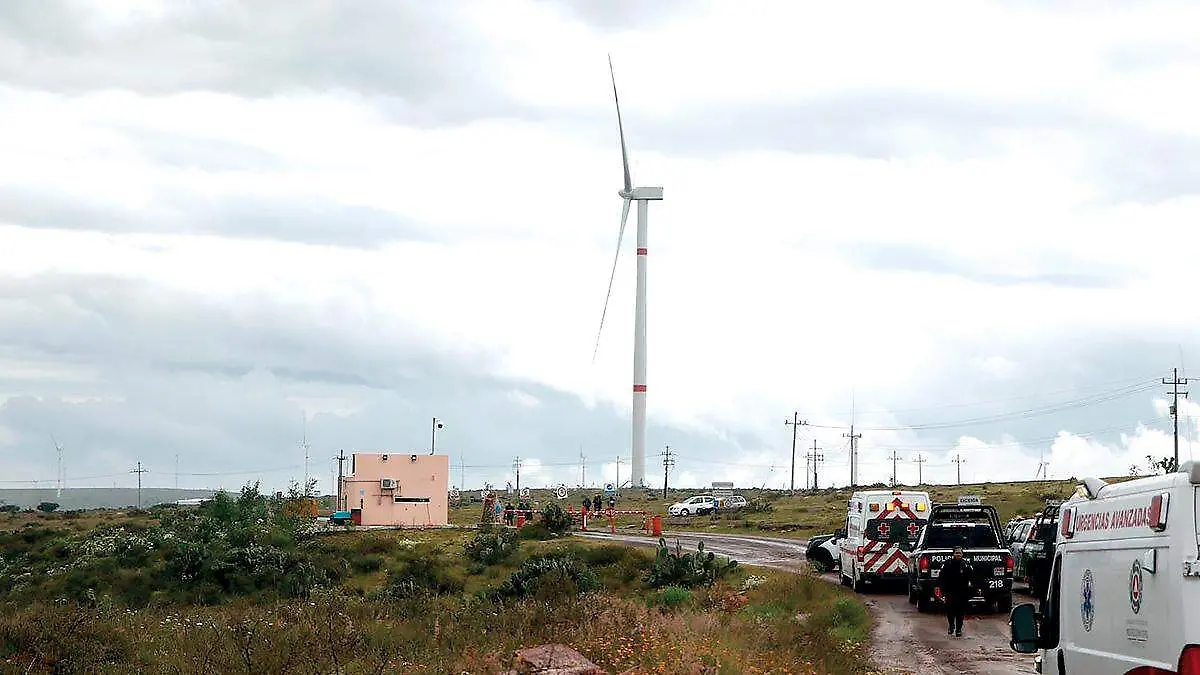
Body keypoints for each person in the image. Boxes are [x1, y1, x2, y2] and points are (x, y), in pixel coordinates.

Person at [938, 546, 975, 637]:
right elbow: (941, 577)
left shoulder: (966, 565)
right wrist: (941, 588)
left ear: (962, 554)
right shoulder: (947, 564)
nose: (958, 554)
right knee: (950, 610)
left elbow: (972, 578)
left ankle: (958, 629)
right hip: (950, 591)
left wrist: (973, 589)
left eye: (960, 553)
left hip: (962, 592)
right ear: (953, 554)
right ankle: (951, 626)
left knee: (960, 611)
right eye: (956, 553)